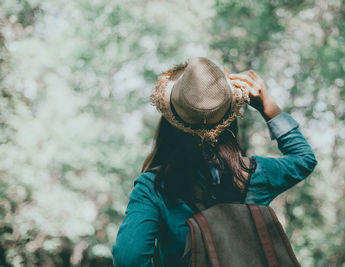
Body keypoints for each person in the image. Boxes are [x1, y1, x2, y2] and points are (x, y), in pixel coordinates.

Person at [111, 57, 318, 267]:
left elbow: (129, 258)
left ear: (170, 125)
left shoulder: (155, 186)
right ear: (230, 120)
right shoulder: (255, 174)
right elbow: (304, 159)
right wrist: (268, 107)